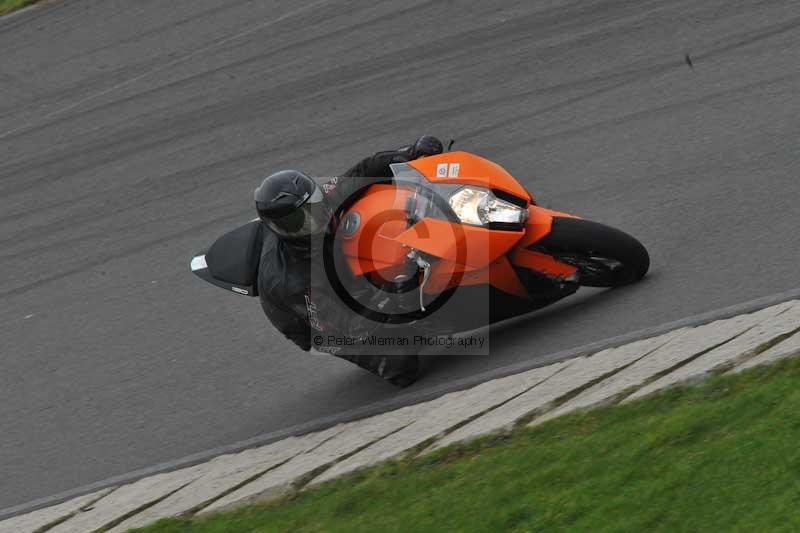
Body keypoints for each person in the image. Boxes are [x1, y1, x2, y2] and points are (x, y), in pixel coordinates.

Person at [254, 136, 444, 387]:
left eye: (314, 206)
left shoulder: (319, 200)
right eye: (300, 221)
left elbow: (365, 170)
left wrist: (411, 153)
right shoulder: (294, 282)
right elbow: (347, 326)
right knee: (401, 363)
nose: (316, 218)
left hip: (331, 267)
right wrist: (389, 295)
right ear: (281, 230)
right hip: (317, 324)